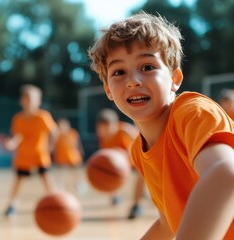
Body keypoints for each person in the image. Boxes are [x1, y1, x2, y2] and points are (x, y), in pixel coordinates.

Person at [88, 12, 234, 239]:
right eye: (119, 72)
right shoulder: (139, 150)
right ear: (108, 90)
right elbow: (167, 224)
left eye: (147, 67)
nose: (133, 80)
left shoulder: (192, 113)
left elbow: (226, 173)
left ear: (175, 78)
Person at [4, 84, 58, 217]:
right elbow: (17, 136)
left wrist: (50, 147)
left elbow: (55, 131)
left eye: (33, 99)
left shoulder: (42, 117)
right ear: (21, 101)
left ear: (38, 101)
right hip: (23, 156)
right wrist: (12, 143)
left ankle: (55, 202)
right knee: (18, 180)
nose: (30, 101)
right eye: (27, 98)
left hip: (40, 155)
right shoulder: (18, 118)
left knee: (47, 179)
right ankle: (12, 204)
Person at [95, 108, 145, 219]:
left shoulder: (125, 130)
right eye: (101, 129)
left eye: (107, 128)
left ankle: (137, 205)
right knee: (107, 171)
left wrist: (126, 153)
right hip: (123, 164)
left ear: (115, 125)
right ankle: (115, 195)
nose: (104, 132)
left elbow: (141, 140)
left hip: (138, 158)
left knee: (141, 176)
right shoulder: (104, 140)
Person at [53, 118, 84, 192]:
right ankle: (60, 185)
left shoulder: (73, 133)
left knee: (75, 171)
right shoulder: (57, 135)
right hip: (62, 156)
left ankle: (78, 184)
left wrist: (80, 151)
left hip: (72, 156)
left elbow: (77, 144)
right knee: (61, 172)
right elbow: (54, 146)